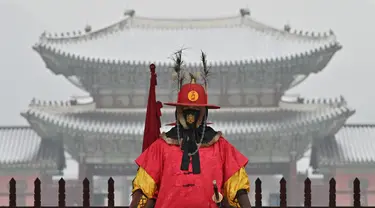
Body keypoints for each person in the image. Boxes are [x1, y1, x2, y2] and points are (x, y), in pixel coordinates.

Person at [130, 53, 251, 208]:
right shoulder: (161, 147)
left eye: (195, 109)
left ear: (204, 112)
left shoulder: (220, 146)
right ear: (178, 110)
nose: (191, 114)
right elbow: (143, 189)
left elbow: (238, 187)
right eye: (186, 109)